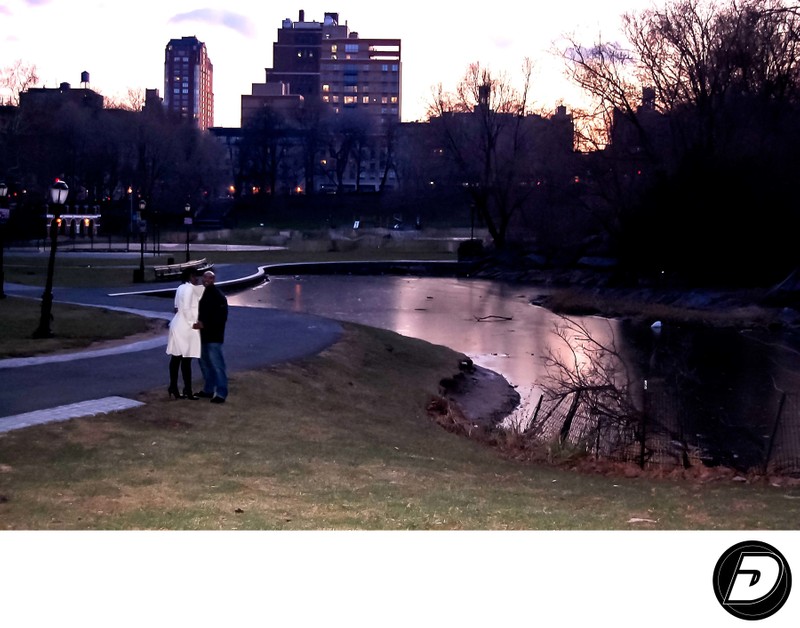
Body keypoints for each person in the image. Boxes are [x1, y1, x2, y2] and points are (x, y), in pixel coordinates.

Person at [166, 269, 204, 400]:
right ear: (190, 277)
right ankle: (188, 390)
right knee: (186, 360)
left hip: (176, 324)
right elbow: (187, 309)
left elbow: (176, 308)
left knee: (176, 358)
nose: (197, 279)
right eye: (195, 277)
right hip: (185, 327)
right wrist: (193, 323)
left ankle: (173, 387)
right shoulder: (189, 289)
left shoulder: (180, 288)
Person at [195, 270, 229, 404]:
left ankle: (221, 393)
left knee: (217, 365)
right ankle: (208, 390)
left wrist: (204, 324)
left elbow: (221, 318)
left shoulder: (219, 297)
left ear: (213, 279)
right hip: (202, 337)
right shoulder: (201, 295)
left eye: (209, 278)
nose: (206, 280)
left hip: (214, 337)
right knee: (204, 364)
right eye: (204, 277)